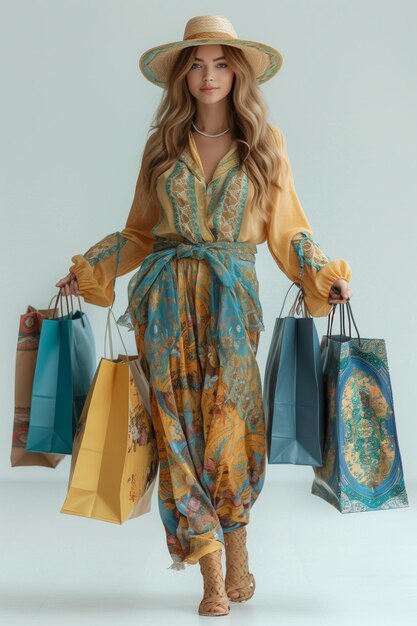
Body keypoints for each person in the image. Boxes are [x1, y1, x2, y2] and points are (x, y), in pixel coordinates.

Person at [56, 15, 352, 617]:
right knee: (177, 436)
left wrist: (324, 276)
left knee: (232, 434)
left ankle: (238, 563)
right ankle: (213, 579)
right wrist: (93, 268)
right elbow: (139, 233)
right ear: (181, 75)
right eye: (196, 64)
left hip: (231, 308)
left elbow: (289, 230)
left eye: (219, 63)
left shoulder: (265, 146)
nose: (208, 75)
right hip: (163, 308)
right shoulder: (162, 147)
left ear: (237, 72)